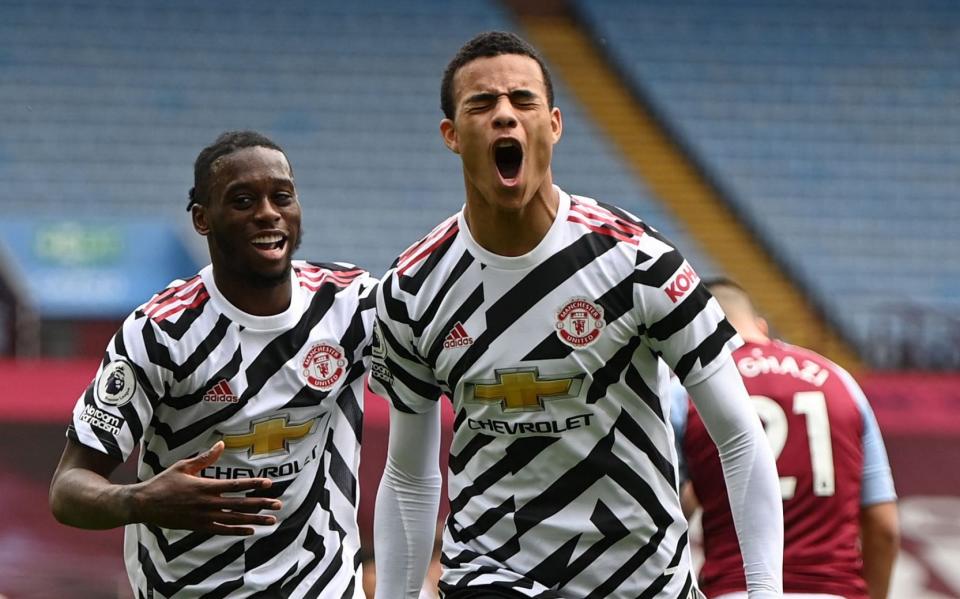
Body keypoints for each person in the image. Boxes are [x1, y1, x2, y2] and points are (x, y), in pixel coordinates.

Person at [367, 31, 784, 598]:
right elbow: (410, 478)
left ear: (555, 125)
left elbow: (738, 436)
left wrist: (764, 592)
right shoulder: (412, 288)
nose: (505, 116)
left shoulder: (638, 261)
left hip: (640, 579)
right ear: (451, 135)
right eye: (482, 105)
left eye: (523, 100)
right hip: (493, 573)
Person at [49, 131, 377, 597]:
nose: (268, 212)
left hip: (320, 585)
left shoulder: (349, 306)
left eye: (281, 196)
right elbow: (67, 490)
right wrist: (139, 501)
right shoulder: (160, 332)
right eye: (242, 200)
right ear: (203, 220)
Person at [672, 278, 899, 599]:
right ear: (761, 326)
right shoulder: (840, 382)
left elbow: (667, 512)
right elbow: (884, 527)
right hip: (836, 589)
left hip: (737, 589)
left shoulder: (684, 392)